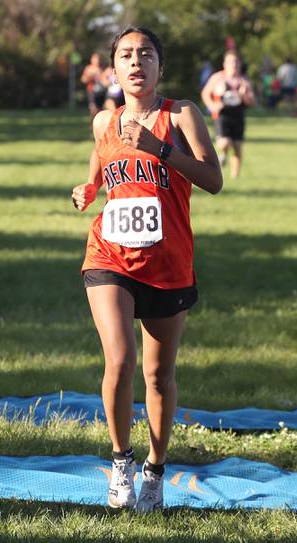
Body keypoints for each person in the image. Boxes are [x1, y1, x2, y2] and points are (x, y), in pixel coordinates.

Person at [71, 26, 223, 512]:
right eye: (126, 55)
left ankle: (155, 470)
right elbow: (100, 164)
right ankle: (121, 464)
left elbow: (213, 179)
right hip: (109, 255)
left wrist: (159, 149)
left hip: (168, 262)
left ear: (160, 66)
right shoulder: (104, 122)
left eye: (146, 54)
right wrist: (88, 189)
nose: (136, 63)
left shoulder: (181, 115)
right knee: (119, 360)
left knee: (158, 376)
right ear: (112, 69)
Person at [200, 49, 255, 179]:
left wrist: (244, 95)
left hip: (238, 114)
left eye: (236, 62)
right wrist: (212, 106)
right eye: (230, 62)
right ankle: (223, 153)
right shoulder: (217, 78)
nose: (233, 65)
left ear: (240, 64)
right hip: (222, 114)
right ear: (225, 63)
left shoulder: (244, 81)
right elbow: (205, 93)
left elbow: (252, 102)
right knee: (224, 142)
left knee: (237, 146)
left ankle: (235, 176)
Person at [81, 53, 109, 119]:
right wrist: (90, 76)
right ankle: (92, 123)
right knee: (93, 108)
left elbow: (106, 82)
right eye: (94, 59)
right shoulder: (89, 68)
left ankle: (100, 124)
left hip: (102, 92)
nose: (96, 61)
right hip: (92, 91)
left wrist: (102, 77)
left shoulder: (103, 68)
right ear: (91, 60)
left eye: (98, 59)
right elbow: (83, 80)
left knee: (102, 109)